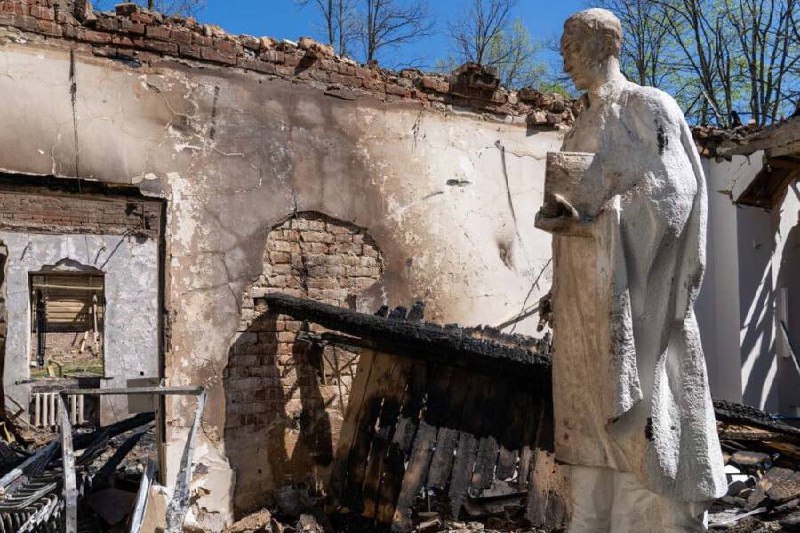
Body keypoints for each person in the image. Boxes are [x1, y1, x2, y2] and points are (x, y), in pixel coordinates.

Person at [534, 9, 726, 532]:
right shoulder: (580, 127)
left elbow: (675, 195)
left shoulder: (647, 106)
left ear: (603, 46)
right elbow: (577, 205)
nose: (565, 63)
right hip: (585, 301)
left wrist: (601, 219)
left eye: (572, 50)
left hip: (640, 301)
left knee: (646, 428)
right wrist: (561, 227)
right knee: (589, 432)